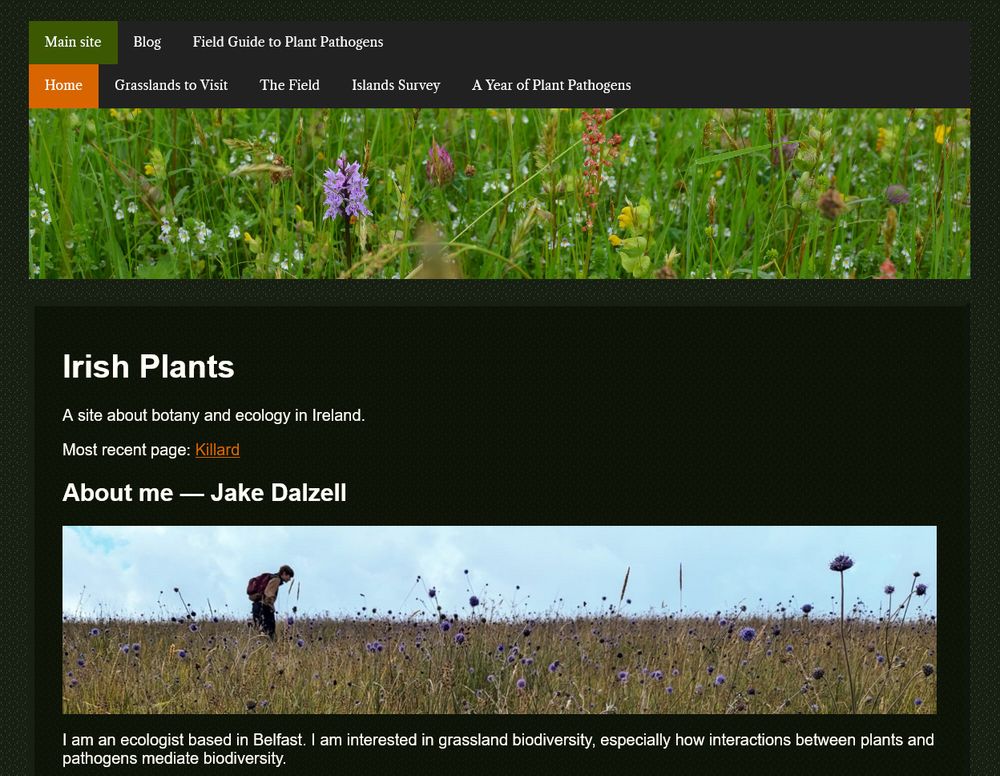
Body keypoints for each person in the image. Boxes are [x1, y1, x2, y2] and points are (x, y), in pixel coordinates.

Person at [248, 565, 294, 639]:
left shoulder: (271, 577)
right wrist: (271, 607)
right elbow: (269, 593)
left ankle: (260, 647)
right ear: (284, 573)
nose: (289, 579)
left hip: (257, 605)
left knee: (258, 630)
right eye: (289, 576)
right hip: (264, 607)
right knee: (269, 633)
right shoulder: (276, 579)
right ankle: (268, 648)